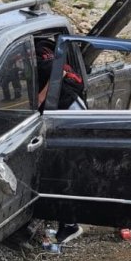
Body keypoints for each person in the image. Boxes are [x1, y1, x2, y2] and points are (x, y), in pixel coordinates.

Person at [35, 37, 84, 245]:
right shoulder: (40, 49)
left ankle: (71, 225)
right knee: (60, 170)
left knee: (68, 170)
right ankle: (66, 222)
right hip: (60, 113)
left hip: (70, 110)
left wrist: (40, 99)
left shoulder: (38, 53)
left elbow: (60, 71)